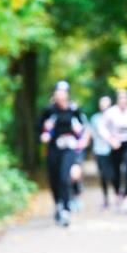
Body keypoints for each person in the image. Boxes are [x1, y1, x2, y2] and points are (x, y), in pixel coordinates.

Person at [37, 81, 88, 227]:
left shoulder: (74, 110)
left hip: (69, 148)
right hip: (53, 148)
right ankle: (58, 203)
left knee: (65, 176)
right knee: (54, 178)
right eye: (58, 91)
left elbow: (84, 128)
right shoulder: (48, 111)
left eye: (63, 92)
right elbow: (39, 128)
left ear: (67, 94)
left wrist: (81, 138)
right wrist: (43, 134)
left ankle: (66, 209)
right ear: (54, 94)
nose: (60, 94)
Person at [98, 88, 127, 214]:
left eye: (125, 99)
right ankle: (118, 194)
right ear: (117, 100)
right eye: (121, 99)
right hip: (115, 144)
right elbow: (102, 127)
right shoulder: (110, 112)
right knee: (115, 173)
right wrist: (110, 139)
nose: (123, 101)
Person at [89, 96, 115, 210]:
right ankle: (106, 198)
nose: (104, 107)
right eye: (102, 104)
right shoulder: (95, 118)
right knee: (103, 175)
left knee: (114, 174)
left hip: (113, 150)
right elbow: (91, 133)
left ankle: (118, 195)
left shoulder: (115, 117)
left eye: (107, 104)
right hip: (99, 150)